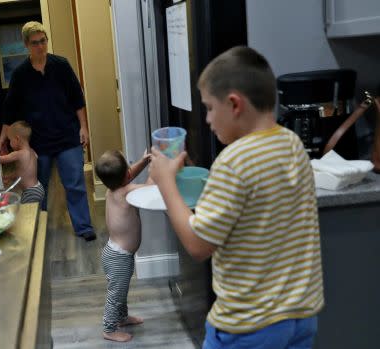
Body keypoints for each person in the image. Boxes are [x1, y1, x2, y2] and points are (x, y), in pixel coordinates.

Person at [149, 46, 324, 349]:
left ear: (234, 104)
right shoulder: (292, 143)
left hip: (248, 326)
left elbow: (198, 244)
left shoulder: (234, 161)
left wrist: (166, 184)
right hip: (300, 316)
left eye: (209, 108)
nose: (207, 119)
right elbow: (252, 212)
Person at [0, 21, 95, 241]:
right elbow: (9, 108)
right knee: (37, 188)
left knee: (75, 184)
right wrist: (3, 136)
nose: (41, 46)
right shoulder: (21, 74)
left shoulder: (61, 65)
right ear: (26, 45)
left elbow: (77, 99)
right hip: (39, 142)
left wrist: (84, 127)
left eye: (43, 41)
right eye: (35, 43)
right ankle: (36, 229)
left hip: (68, 136)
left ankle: (83, 227)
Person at [94, 150, 151, 342]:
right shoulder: (126, 192)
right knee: (116, 294)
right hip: (119, 257)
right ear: (126, 175)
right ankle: (109, 329)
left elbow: (129, 174)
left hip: (117, 254)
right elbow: (150, 188)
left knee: (121, 290)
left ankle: (122, 318)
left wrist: (144, 161)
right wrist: (157, 169)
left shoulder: (114, 189)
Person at [0, 121, 45, 204]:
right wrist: (9, 177)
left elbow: (1, 159)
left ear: (17, 139)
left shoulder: (19, 154)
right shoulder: (32, 152)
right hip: (38, 188)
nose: (10, 143)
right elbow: (23, 172)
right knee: (33, 213)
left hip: (30, 192)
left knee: (27, 215)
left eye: (10, 140)